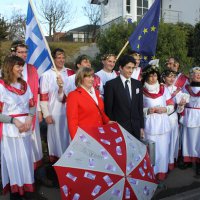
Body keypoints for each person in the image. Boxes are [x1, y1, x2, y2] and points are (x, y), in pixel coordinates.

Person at [0, 56, 35, 199]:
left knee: (25, 160)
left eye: (22, 66)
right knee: (13, 161)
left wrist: (29, 118)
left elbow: (32, 105)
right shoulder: (1, 86)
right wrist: (14, 121)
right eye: (18, 66)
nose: (21, 69)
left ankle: (26, 190)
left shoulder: (25, 85)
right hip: (10, 131)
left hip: (25, 129)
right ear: (10, 68)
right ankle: (16, 193)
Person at [142, 63, 174, 181]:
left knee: (163, 149)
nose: (153, 78)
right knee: (151, 151)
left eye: (155, 75)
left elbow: (171, 105)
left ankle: (162, 173)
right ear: (146, 77)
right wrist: (147, 110)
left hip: (163, 124)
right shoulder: (141, 90)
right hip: (149, 125)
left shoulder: (163, 89)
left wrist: (164, 109)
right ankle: (151, 175)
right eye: (150, 76)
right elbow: (137, 109)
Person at [40, 48, 72, 163]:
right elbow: (43, 96)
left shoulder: (70, 73)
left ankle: (70, 163)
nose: (61, 60)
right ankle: (58, 164)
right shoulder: (46, 75)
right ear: (53, 59)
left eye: (63, 57)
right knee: (56, 139)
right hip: (54, 112)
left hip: (69, 111)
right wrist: (46, 114)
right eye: (59, 58)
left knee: (68, 137)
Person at [104, 55, 144, 140]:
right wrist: (112, 128)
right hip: (119, 129)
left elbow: (140, 107)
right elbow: (108, 110)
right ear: (121, 68)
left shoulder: (138, 84)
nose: (131, 71)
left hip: (136, 128)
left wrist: (141, 127)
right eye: (128, 68)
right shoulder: (111, 85)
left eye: (132, 68)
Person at [67, 67, 113, 139]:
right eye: (88, 76)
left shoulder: (96, 93)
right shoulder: (73, 95)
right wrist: (76, 140)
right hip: (85, 137)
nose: (92, 79)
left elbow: (100, 112)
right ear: (81, 78)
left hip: (100, 134)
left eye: (92, 76)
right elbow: (72, 122)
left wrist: (108, 121)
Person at [161, 69, 187, 170]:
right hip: (161, 118)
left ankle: (170, 162)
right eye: (169, 76)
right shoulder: (160, 88)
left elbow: (180, 110)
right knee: (163, 141)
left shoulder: (177, 90)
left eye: (173, 76)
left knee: (171, 140)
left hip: (172, 118)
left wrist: (181, 105)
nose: (172, 79)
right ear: (164, 77)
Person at [180, 66, 200, 175]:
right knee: (188, 139)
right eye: (195, 73)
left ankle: (198, 163)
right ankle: (188, 160)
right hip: (189, 115)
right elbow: (181, 101)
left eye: (199, 74)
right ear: (191, 76)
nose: (198, 75)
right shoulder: (186, 88)